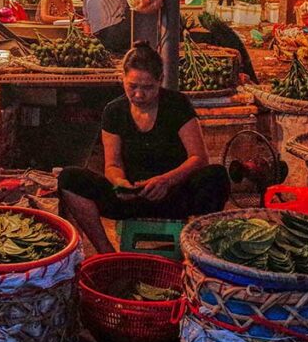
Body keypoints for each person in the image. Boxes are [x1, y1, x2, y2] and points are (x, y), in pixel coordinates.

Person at [58, 43, 231, 254]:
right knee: (69, 179)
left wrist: (166, 181)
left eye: (147, 87)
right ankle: (107, 252)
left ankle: (201, 251)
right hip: (132, 197)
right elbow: (113, 164)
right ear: (122, 78)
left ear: (160, 81)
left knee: (217, 176)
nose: (139, 94)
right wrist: (120, 184)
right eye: (132, 86)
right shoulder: (114, 111)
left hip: (173, 194)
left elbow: (199, 158)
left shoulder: (177, 104)